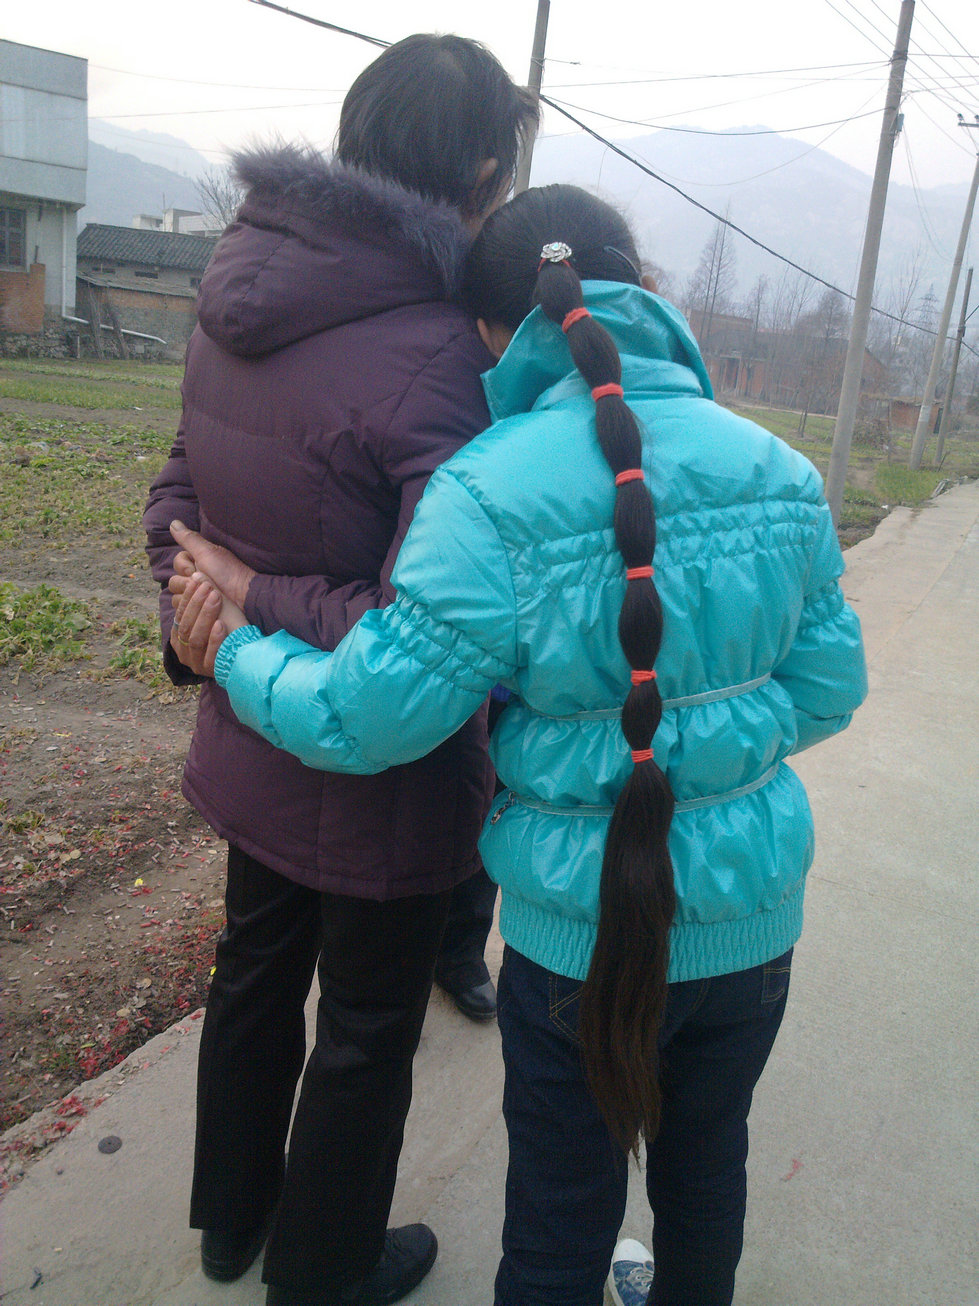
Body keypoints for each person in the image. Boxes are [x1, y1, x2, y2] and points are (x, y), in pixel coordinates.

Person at [170, 183, 868, 1306]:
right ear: (646, 287)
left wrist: (234, 654)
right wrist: (720, 733)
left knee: (558, 1207)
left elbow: (362, 716)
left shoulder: (485, 494)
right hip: (751, 924)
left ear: (492, 331)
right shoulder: (781, 473)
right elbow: (831, 688)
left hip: (573, 936)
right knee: (706, 1168)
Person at [143, 34, 537, 1306]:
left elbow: (178, 503)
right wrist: (246, 599)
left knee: (252, 974)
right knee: (364, 1028)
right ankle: (324, 1269)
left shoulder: (236, 287)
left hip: (251, 735)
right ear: (481, 167)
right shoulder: (445, 356)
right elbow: (428, 627)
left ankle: (233, 1223)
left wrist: (210, 606)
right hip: (385, 770)